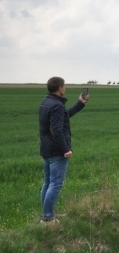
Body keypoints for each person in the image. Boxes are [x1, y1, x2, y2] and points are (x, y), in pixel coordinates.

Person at [38, 77, 89, 224]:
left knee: (47, 183)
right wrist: (66, 149)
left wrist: (81, 103)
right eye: (64, 85)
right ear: (60, 88)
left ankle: (47, 214)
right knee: (55, 184)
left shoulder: (46, 103)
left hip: (46, 149)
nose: (65, 87)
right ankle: (48, 218)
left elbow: (64, 117)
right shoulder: (57, 105)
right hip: (57, 151)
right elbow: (56, 130)